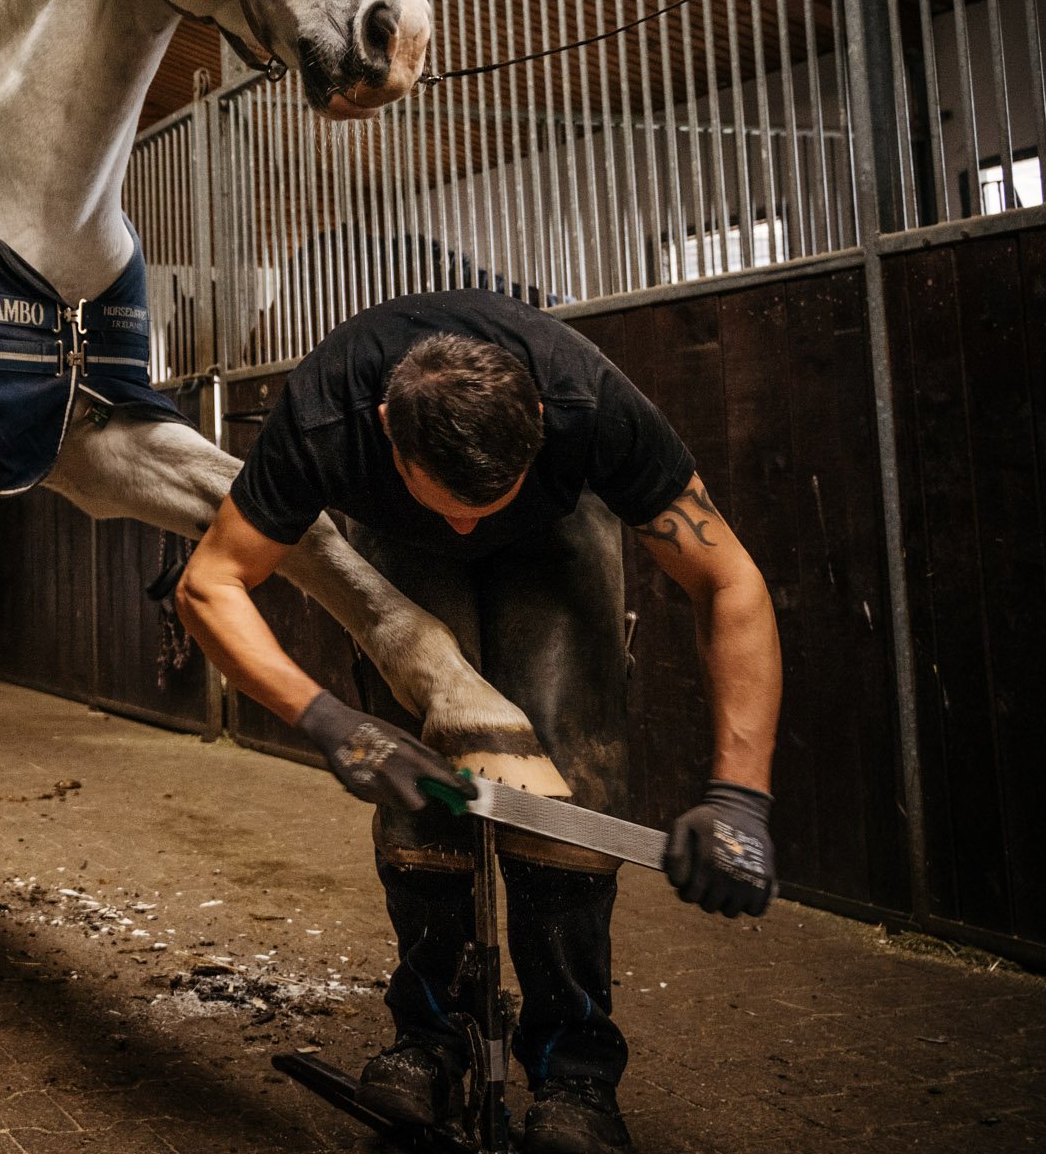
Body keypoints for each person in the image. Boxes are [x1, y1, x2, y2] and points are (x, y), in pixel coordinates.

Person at [175, 291, 781, 1154]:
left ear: (536, 416)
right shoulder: (326, 414)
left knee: (568, 791)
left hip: (557, 525)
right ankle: (429, 1040)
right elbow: (211, 583)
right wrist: (329, 721)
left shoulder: (589, 404)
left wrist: (740, 799)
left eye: (482, 504)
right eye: (452, 502)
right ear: (387, 425)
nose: (467, 521)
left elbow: (731, 583)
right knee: (423, 792)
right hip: (396, 534)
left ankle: (574, 1073)